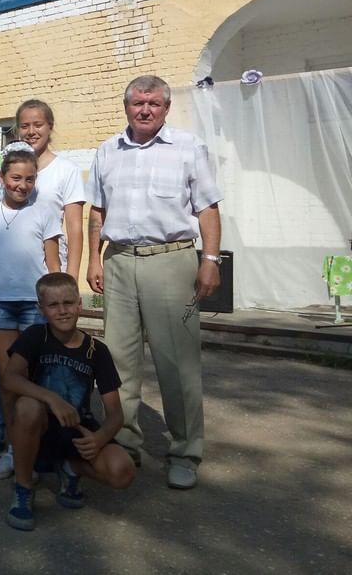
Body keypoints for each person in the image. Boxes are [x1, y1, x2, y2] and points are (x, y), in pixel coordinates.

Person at [86, 74, 222, 490]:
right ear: (126, 106)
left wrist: (210, 260)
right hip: (120, 262)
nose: (145, 110)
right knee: (120, 361)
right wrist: (94, 257)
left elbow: (208, 208)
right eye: (137, 103)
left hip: (171, 261)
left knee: (176, 363)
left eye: (154, 104)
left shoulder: (188, 148)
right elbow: (97, 211)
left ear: (165, 108)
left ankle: (184, 450)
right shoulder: (107, 151)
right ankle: (124, 439)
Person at [0, 100, 86, 476]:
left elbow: (71, 231)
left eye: (39, 124)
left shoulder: (62, 177)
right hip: (3, 301)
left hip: (41, 296)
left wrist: (66, 290)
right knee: (6, 376)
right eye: (25, 124)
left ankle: (50, 445)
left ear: (50, 126)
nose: (32, 129)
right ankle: (6, 442)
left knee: (44, 373)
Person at [3, 272, 135, 531]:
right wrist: (51, 398)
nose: (62, 311)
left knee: (123, 471)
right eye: (53, 305)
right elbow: (9, 379)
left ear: (79, 305)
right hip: (36, 429)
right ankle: (24, 487)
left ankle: (71, 467)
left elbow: (116, 414)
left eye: (68, 303)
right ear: (41, 310)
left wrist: (100, 438)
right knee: (27, 406)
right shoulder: (35, 336)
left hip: (76, 428)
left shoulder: (97, 351)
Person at [0, 145, 61, 482]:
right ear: (2, 178)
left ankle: (37, 449)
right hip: (1, 307)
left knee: (34, 379)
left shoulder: (45, 214)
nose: (22, 185)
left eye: (29, 179)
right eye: (16, 178)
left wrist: (57, 307)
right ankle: (13, 450)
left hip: (35, 307)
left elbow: (53, 266)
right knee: (7, 380)